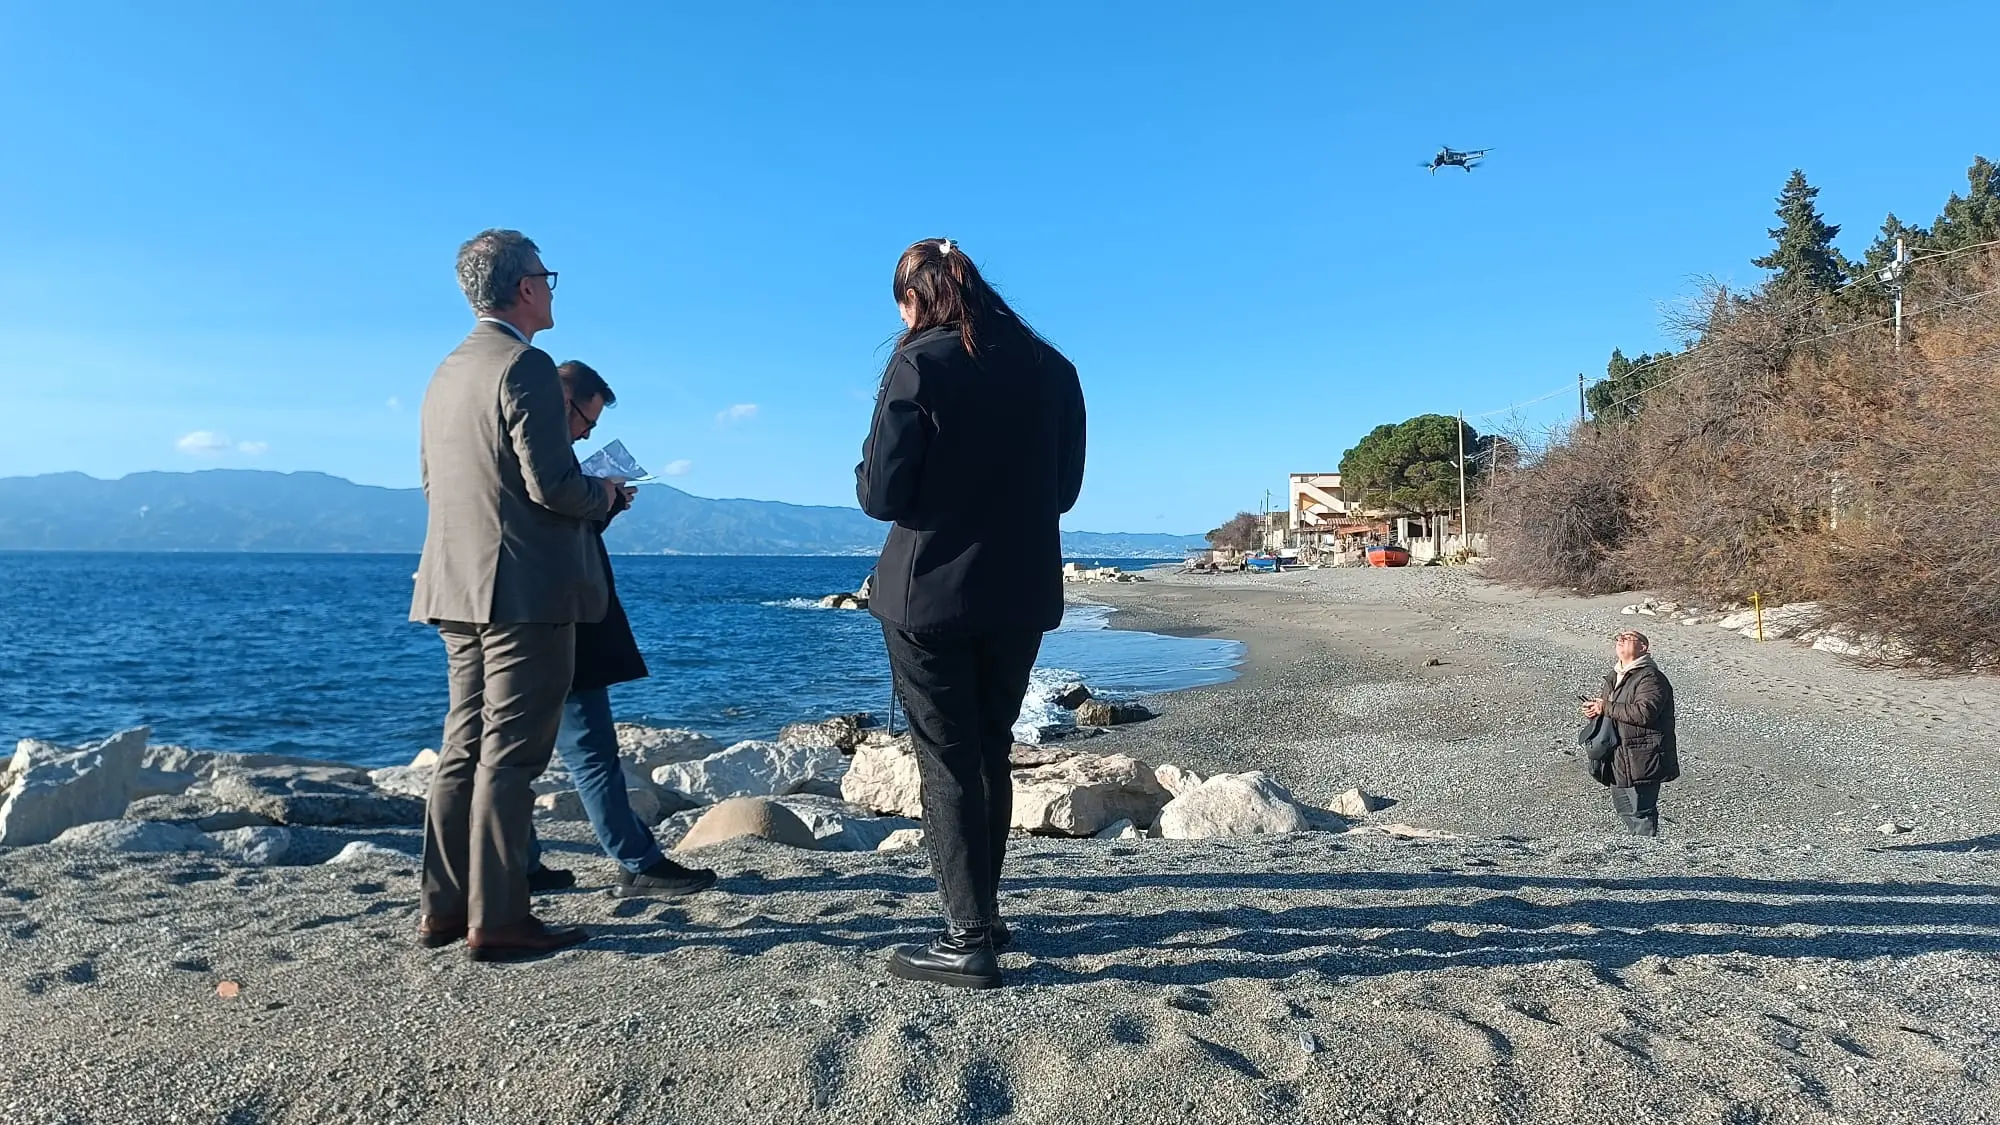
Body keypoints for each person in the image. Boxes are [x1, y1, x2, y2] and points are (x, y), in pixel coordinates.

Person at [857, 238, 1086, 989]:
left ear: (914, 298)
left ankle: (967, 938)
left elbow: (880, 494)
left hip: (929, 593)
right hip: (1020, 591)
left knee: (947, 760)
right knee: (990, 750)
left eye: (901, 304)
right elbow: (1064, 491)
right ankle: (982, 915)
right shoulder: (1054, 369)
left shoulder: (919, 361)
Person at [410, 229, 623, 962]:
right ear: (525, 287)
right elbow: (552, 485)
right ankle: (498, 918)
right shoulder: (524, 364)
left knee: (461, 746)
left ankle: (443, 907)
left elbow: (435, 484)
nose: (551, 287)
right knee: (509, 755)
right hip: (523, 591)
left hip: (453, 582)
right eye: (546, 275)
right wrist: (605, 495)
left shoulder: (446, 371)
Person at [523, 361, 717, 899]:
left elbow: (558, 529)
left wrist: (604, 505)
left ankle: (522, 860)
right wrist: (600, 495)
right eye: (587, 420)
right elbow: (552, 530)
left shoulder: (528, 450)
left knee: (524, 750)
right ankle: (635, 860)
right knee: (586, 748)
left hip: (539, 610)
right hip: (560, 614)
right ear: (565, 402)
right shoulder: (544, 457)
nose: (588, 434)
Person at [1581, 629, 1679, 836]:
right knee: (1625, 810)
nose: (1621, 640)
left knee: (1641, 813)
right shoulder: (1615, 676)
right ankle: (1640, 849)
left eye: (1627, 638)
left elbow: (1644, 713)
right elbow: (1613, 712)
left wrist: (1605, 707)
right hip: (1618, 755)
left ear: (1643, 647)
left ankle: (1649, 851)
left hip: (1642, 755)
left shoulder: (1650, 677)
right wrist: (1596, 712)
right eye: (1619, 638)